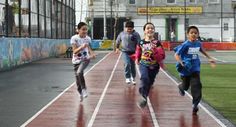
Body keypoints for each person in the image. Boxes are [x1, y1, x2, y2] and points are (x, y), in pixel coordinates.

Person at [174, 26, 215, 115]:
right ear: (187, 34)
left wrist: (209, 58)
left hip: (195, 68)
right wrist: (181, 62)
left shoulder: (198, 43)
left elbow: (202, 50)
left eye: (195, 33)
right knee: (185, 86)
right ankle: (181, 87)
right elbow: (176, 55)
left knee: (196, 85)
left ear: (198, 34)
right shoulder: (185, 44)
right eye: (191, 33)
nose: (193, 34)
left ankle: (195, 104)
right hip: (185, 70)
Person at [135, 22, 165, 109]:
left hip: (154, 66)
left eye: (152, 28)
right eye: (148, 28)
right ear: (144, 31)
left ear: (154, 30)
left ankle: (145, 94)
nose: (150, 29)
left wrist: (155, 50)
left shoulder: (157, 43)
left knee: (149, 82)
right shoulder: (141, 42)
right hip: (144, 64)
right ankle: (143, 96)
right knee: (144, 78)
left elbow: (161, 55)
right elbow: (138, 51)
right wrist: (137, 58)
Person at [70, 22, 96, 102]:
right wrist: (81, 47)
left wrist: (92, 54)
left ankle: (84, 89)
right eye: (83, 29)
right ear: (78, 30)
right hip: (76, 60)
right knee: (78, 79)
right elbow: (74, 51)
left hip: (85, 59)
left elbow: (89, 48)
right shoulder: (74, 38)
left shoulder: (88, 38)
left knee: (79, 72)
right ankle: (80, 92)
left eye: (86, 30)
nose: (85, 31)